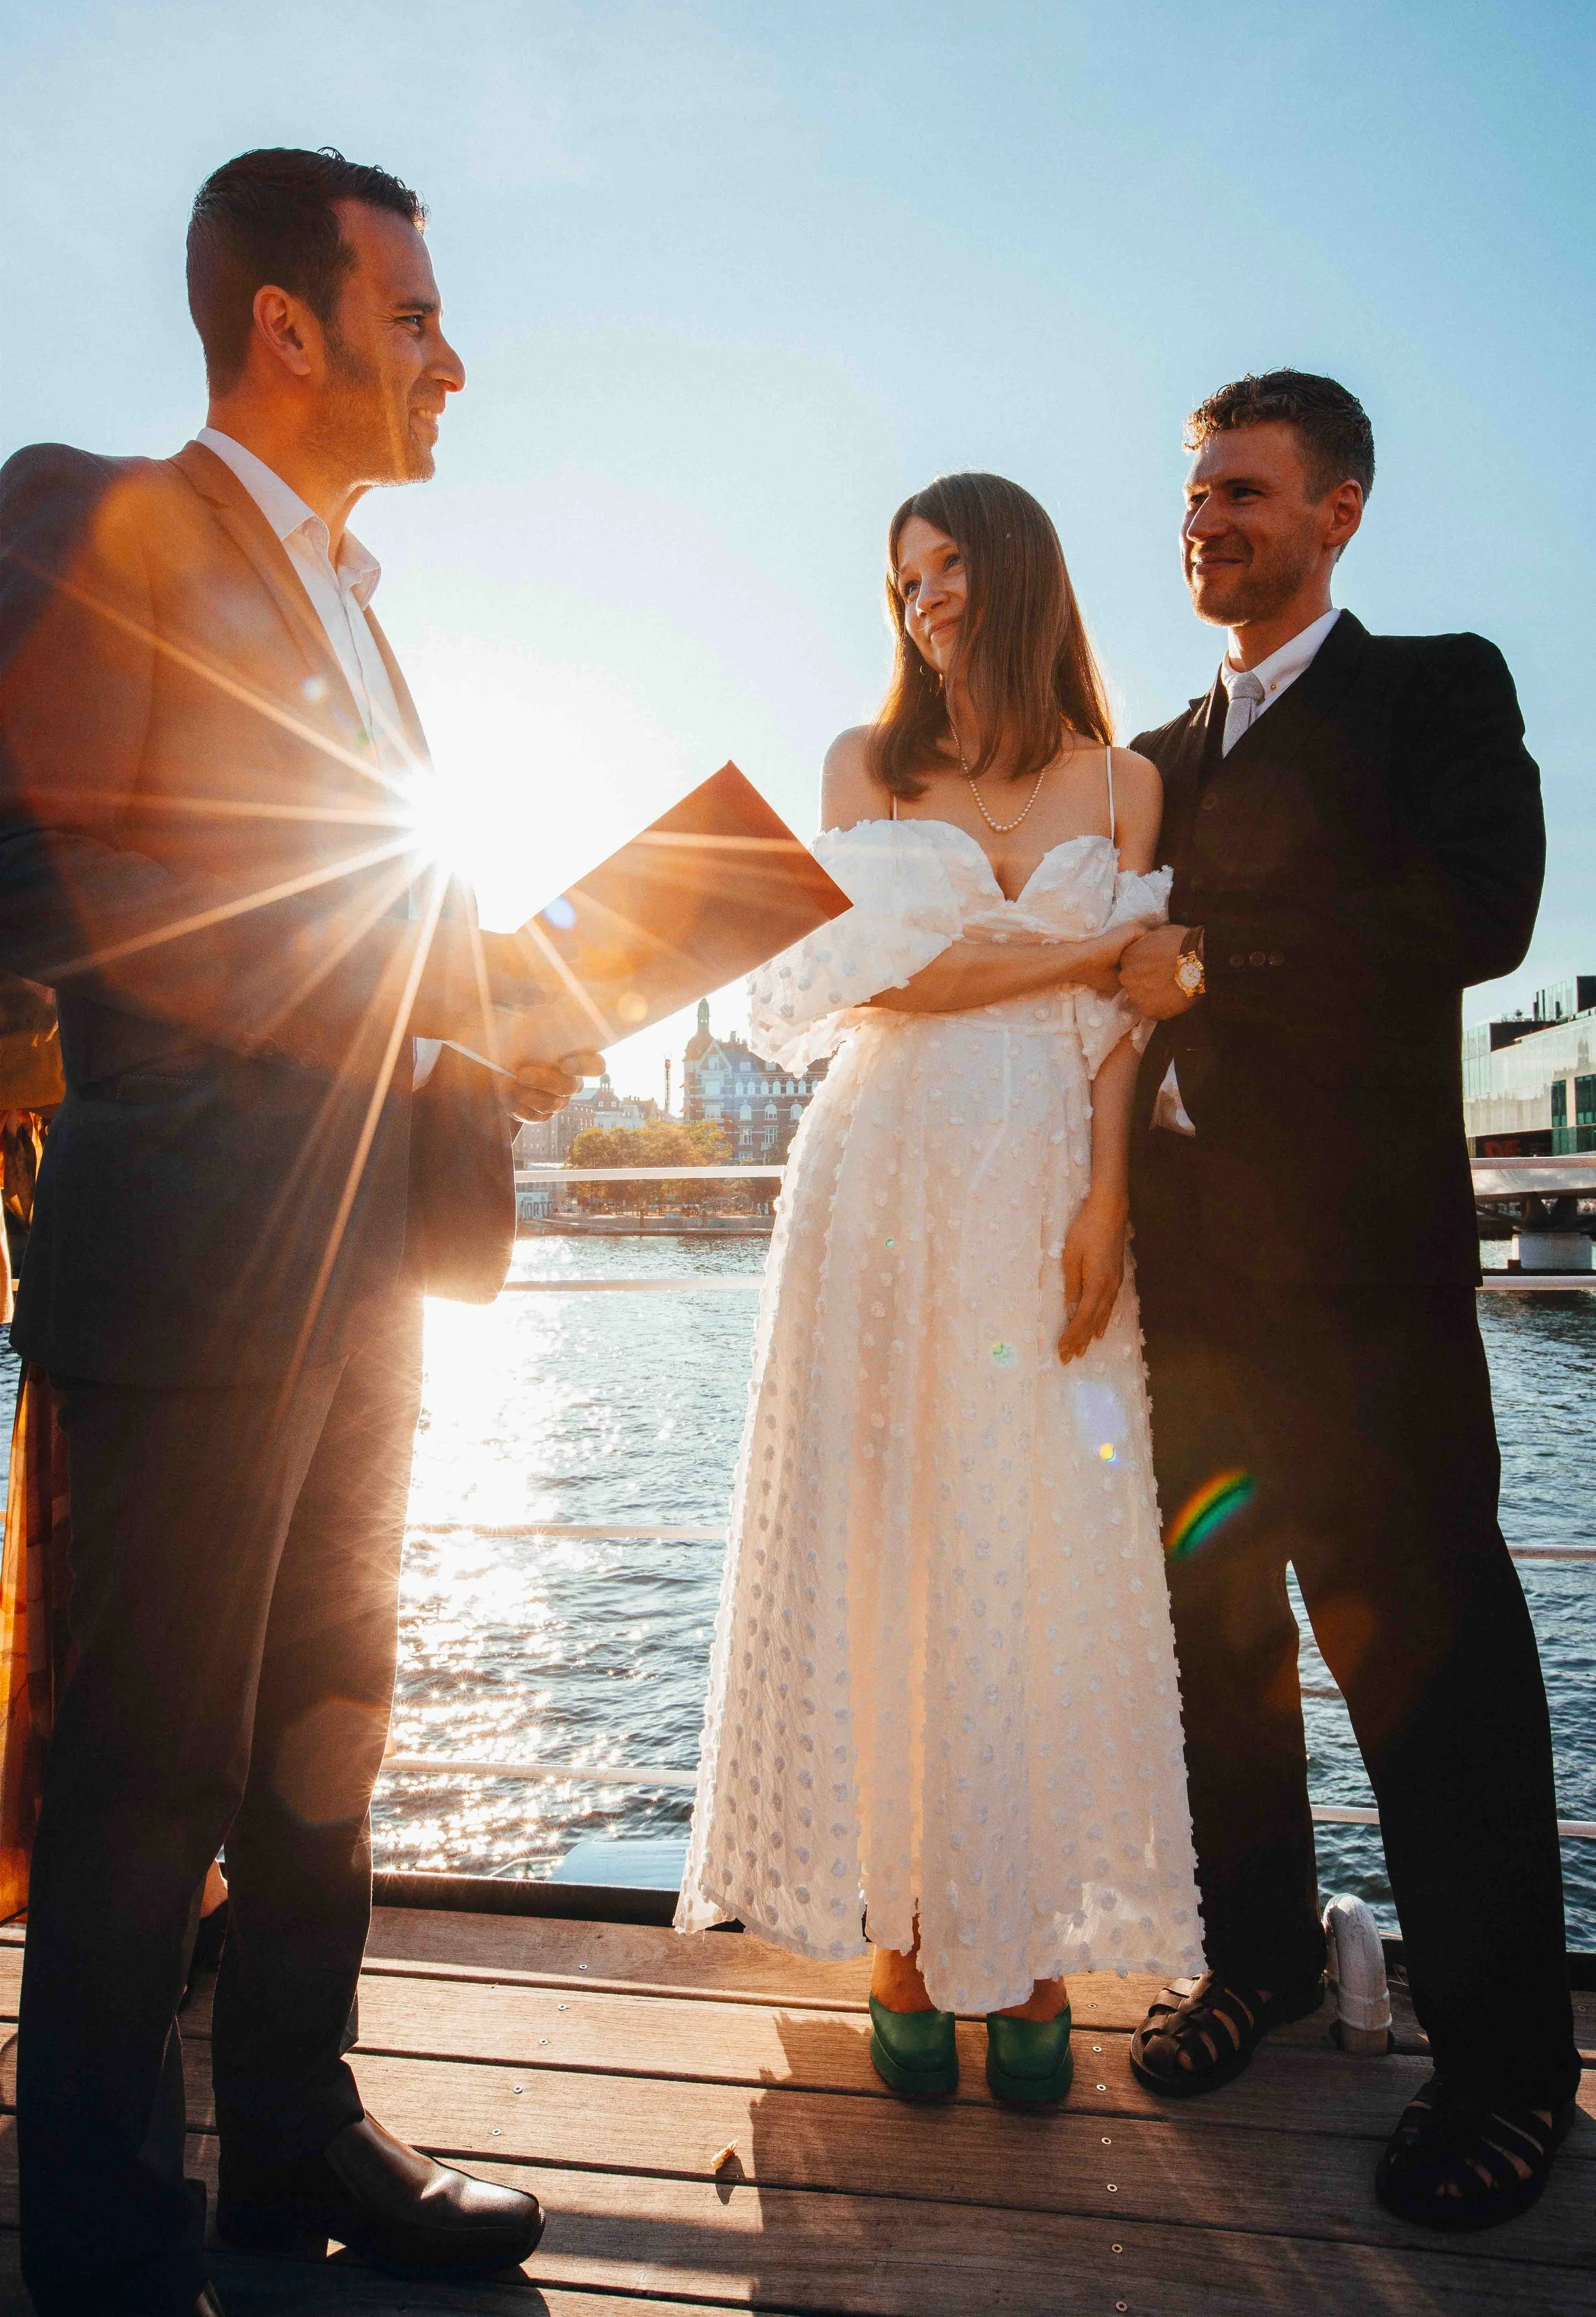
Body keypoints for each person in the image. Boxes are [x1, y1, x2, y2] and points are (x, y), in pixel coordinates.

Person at [0, 147, 599, 2316]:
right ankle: (95, 2235)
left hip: (367, 1252)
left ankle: (291, 2141)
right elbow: (41, 876)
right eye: (417, 313)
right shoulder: (92, 515)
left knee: (327, 1724)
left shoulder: (360, 605)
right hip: (190, 1249)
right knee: (149, 1764)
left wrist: (511, 1004)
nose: (453, 356)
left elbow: (380, 916)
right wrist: (380, 982)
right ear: (291, 326)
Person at [1118, 370, 1579, 2229]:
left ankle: (1506, 2064)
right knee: (1209, 1644)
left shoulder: (1434, 689)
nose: (1206, 519)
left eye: (1242, 489)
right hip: (1180, 1299)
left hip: (1365, 1300)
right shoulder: (1147, 753)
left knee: (1433, 1667)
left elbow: (1484, 910)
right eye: (1193, 493)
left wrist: (1213, 950)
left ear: (1339, 511)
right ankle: (1261, 1955)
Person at [679, 472, 1200, 2104]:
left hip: (1043, 1174)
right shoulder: (862, 765)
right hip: (881, 1178)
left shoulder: (1123, 785)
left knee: (1036, 1548)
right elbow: (886, 971)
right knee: (889, 1536)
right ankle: (900, 1935)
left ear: (1020, 569)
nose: (924, 599)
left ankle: (1026, 1938)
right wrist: (1089, 953)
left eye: (951, 566)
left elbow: (1131, 1027)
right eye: (903, 576)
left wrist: (1108, 1193)